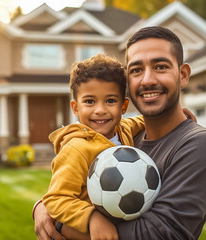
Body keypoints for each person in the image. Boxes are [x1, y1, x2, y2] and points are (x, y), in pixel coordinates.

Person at [34, 26, 206, 240]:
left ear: (182, 75)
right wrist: (42, 206)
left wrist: (61, 225)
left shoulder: (199, 145)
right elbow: (61, 192)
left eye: (161, 66)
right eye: (136, 70)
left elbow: (157, 236)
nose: (147, 80)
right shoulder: (126, 138)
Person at [41, 53, 145, 239]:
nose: (100, 110)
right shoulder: (77, 149)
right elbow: (56, 199)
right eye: (90, 101)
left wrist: (175, 115)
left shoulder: (123, 130)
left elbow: (139, 121)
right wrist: (91, 217)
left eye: (110, 101)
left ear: (123, 106)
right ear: (75, 108)